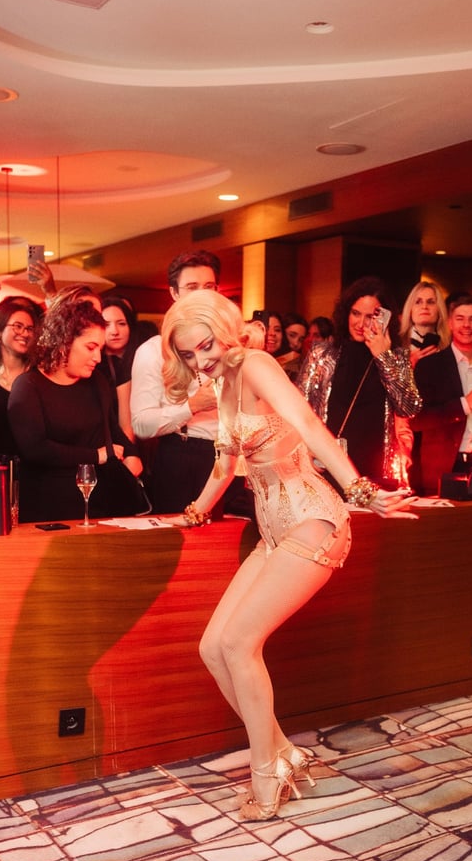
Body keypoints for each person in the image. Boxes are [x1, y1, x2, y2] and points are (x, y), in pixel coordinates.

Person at [161, 290, 413, 820]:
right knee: (213, 648)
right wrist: (193, 513)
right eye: (188, 354)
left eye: (206, 346)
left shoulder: (255, 364)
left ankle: (266, 776)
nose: (200, 360)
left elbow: (308, 423)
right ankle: (281, 753)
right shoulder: (222, 382)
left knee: (239, 642)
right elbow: (225, 463)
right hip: (273, 532)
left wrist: (359, 489)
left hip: (313, 519)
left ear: (225, 332)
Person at [130, 250, 251, 515]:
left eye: (209, 287)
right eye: (192, 287)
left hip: (233, 455)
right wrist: (192, 406)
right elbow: (141, 424)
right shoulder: (154, 351)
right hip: (183, 456)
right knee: (181, 534)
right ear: (174, 293)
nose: (202, 295)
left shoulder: (234, 345)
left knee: (234, 533)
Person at [8, 299, 143, 523]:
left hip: (97, 502)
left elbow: (110, 428)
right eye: (90, 347)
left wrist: (131, 453)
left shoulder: (97, 381)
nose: (97, 358)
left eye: (100, 349)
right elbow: (35, 449)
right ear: (64, 342)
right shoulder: (28, 386)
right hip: (48, 506)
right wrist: (95, 456)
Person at [297, 276, 421, 491]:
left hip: (375, 469)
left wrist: (383, 356)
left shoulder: (396, 357)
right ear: (346, 313)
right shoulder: (322, 354)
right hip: (327, 465)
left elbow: (409, 407)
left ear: (384, 319)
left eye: (370, 316)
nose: (361, 323)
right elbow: (299, 409)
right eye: (355, 313)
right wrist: (306, 448)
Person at [410, 294, 472, 496]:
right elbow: (417, 419)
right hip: (445, 466)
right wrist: (465, 404)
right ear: (450, 323)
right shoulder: (431, 366)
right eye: (460, 318)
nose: (466, 325)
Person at [0, 297, 42, 462]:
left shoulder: (40, 375)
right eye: (18, 326)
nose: (25, 333)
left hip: (33, 467)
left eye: (29, 329)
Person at [101, 295, 139, 440]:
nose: (114, 331)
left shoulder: (142, 358)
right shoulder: (94, 366)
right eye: (106, 325)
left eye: (121, 324)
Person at [398, 279, 450, 369]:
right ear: (410, 309)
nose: (424, 306)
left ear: (439, 309)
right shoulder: (396, 343)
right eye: (418, 302)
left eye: (430, 302)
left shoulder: (449, 347)